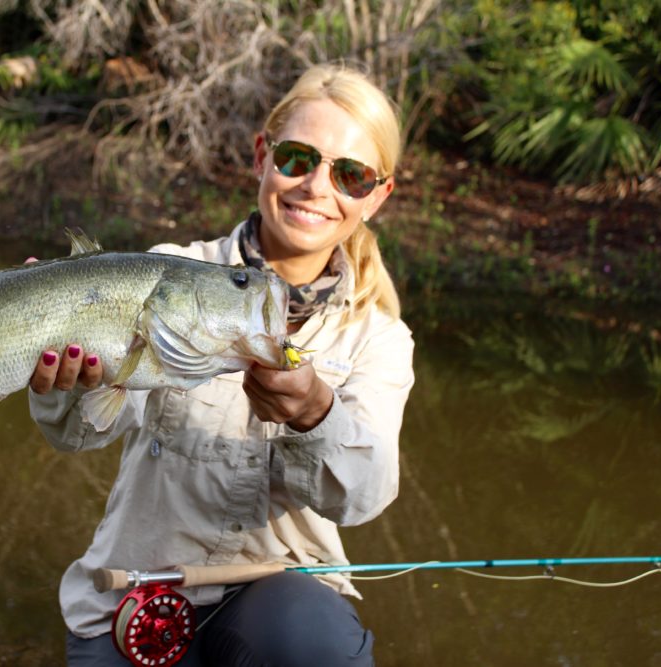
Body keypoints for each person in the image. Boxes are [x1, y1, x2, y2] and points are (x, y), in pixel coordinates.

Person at [28, 63, 415, 666]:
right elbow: (85, 429)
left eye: (351, 174)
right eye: (296, 158)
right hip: (134, 599)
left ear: (376, 196)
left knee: (309, 640)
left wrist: (316, 413)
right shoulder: (166, 270)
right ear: (262, 156)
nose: (316, 186)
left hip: (279, 607)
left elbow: (362, 498)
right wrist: (70, 385)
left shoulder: (381, 338)